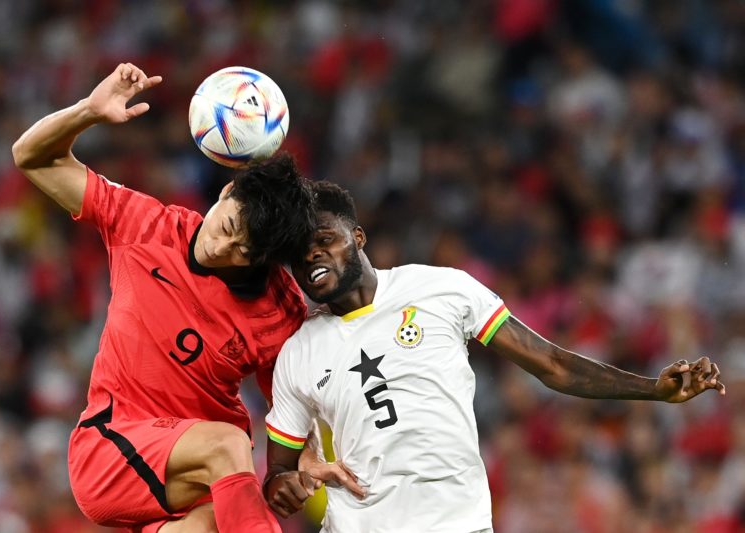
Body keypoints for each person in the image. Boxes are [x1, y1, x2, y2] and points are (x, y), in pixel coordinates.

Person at [262, 181, 726, 533]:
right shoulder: (299, 352)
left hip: (459, 524)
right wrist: (289, 485)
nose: (313, 257)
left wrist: (652, 390)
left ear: (358, 237)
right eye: (299, 255)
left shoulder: (442, 288)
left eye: (325, 239)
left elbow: (554, 365)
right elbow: (278, 476)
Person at [12, 63, 317, 533]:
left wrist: (292, 468)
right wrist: (88, 112)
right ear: (227, 191)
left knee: (227, 512)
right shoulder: (144, 227)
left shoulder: (278, 308)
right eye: (229, 227)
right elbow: (29, 156)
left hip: (193, 480)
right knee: (228, 447)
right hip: (110, 449)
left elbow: (290, 405)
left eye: (245, 252)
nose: (223, 248)